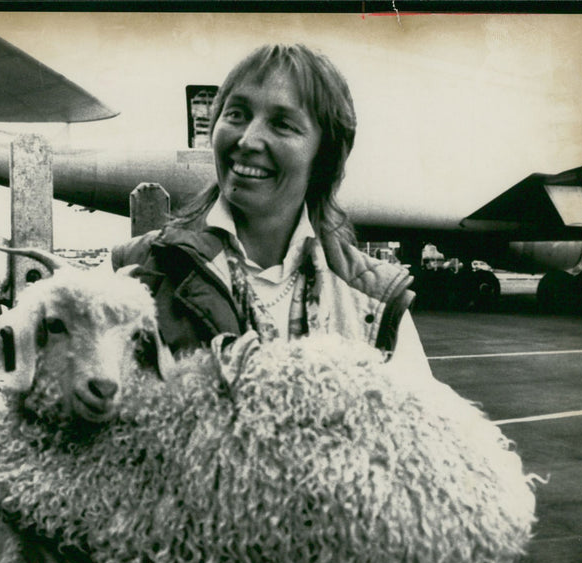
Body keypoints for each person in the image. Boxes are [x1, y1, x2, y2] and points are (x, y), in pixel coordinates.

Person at [112, 43, 431, 379]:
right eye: (236, 114)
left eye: (282, 124)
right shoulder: (135, 271)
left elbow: (429, 428)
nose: (248, 140)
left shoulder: (373, 301)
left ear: (323, 156)